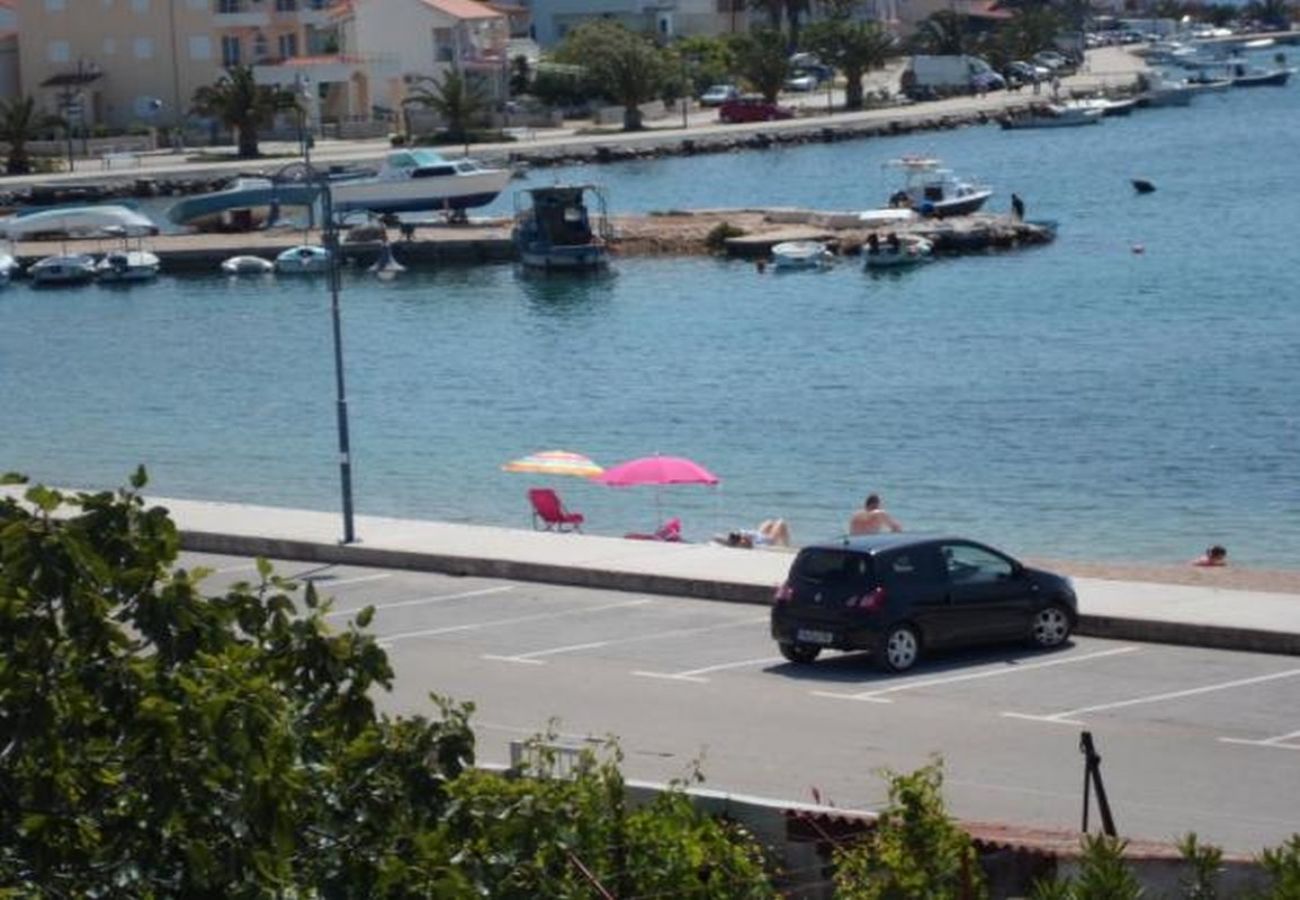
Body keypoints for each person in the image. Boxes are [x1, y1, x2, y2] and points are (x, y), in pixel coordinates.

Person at [716, 518, 791, 548]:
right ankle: (786, 546)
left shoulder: (741, 537)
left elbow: (717, 537)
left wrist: (734, 536)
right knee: (781, 523)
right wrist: (744, 539)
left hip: (758, 535)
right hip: (768, 540)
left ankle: (785, 545)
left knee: (769, 522)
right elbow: (748, 544)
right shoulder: (749, 543)